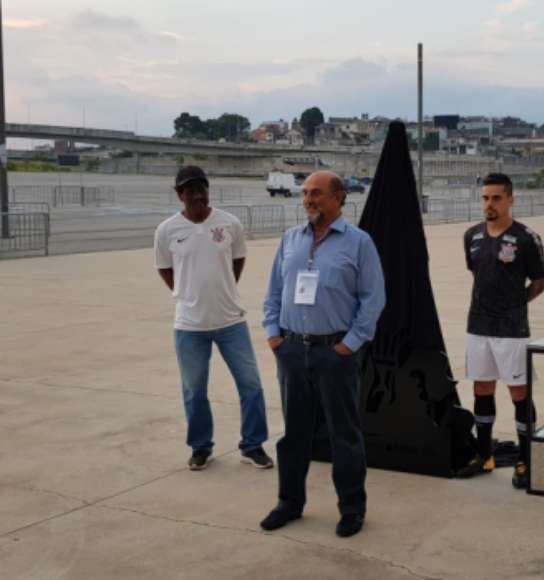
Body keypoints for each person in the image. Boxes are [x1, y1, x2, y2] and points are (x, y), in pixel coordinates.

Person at [260, 170, 385, 538]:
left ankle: (351, 508)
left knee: (343, 435)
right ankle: (289, 503)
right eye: (305, 194)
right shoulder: (289, 240)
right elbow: (273, 292)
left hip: (335, 353)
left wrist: (350, 344)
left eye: (316, 193)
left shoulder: (359, 243)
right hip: (292, 351)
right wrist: (273, 335)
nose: (308, 200)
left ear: (338, 197)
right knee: (294, 434)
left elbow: (373, 298)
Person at [154, 166, 272, 471]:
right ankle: (201, 447)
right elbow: (164, 268)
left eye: (201, 188)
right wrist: (185, 292)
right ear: (179, 194)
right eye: (189, 190)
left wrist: (224, 289)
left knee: (252, 386)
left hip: (231, 321)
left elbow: (238, 259)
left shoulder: (229, 223)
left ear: (208, 190)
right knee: (194, 391)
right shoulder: (167, 230)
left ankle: (252, 445)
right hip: (189, 326)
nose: (196, 195)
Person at [458, 172, 544, 489]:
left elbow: (539, 283)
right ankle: (485, 455)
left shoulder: (526, 238)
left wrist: (514, 305)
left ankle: (526, 459)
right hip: (478, 325)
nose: (489, 204)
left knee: (519, 393)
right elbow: (477, 273)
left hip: (512, 330)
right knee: (482, 389)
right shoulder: (472, 236)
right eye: (485, 198)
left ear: (510, 199)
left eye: (496, 198)